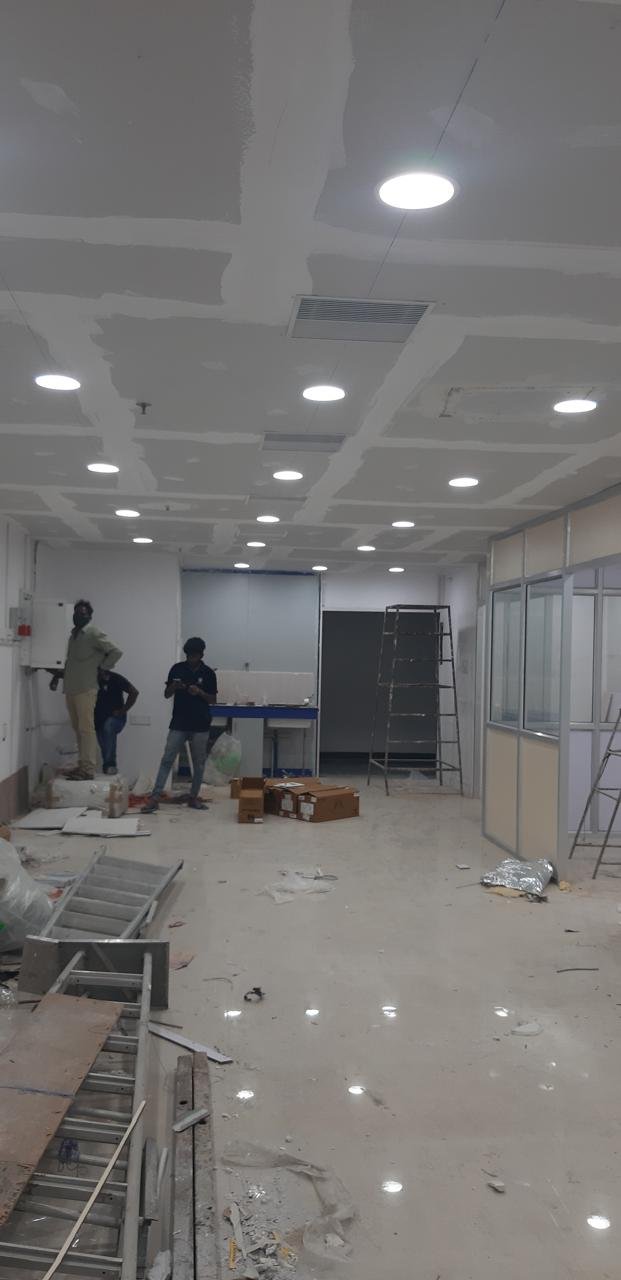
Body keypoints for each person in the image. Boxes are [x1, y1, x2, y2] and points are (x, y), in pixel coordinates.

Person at [142, 637, 217, 813]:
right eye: (189, 655)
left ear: (201, 654)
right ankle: (155, 798)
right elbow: (166, 694)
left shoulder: (208, 673)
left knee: (199, 764)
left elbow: (213, 699)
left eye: (194, 655)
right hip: (178, 723)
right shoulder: (177, 669)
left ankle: (193, 797)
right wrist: (174, 687)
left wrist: (199, 692)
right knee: (167, 760)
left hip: (200, 724)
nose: (191, 658)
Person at [50, 599, 122, 780]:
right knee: (78, 729)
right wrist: (56, 677)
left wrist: (103, 667)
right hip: (71, 688)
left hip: (86, 688)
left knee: (86, 729)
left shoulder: (93, 632)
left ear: (89, 616)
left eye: (82, 613)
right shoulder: (73, 636)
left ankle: (88, 769)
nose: (78, 616)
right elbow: (71, 663)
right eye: (76, 613)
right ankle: (82, 765)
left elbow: (116, 651)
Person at [95, 668, 139, 775]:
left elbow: (134, 692)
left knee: (108, 726)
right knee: (103, 743)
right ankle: (107, 766)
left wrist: (123, 710)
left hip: (115, 718)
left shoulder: (116, 678)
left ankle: (110, 765)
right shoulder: (91, 680)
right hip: (98, 718)